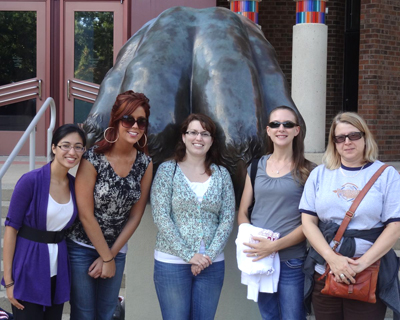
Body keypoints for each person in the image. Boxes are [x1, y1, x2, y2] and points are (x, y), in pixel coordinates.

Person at [300, 112, 400, 320]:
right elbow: (308, 222)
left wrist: (361, 264)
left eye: (354, 135)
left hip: (369, 272)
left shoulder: (386, 174)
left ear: (365, 138)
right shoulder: (320, 174)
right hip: (326, 270)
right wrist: (333, 259)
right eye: (340, 137)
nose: (347, 142)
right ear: (334, 143)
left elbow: (395, 227)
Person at [66, 90, 153, 320]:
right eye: (128, 119)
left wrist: (111, 256)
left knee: (106, 314)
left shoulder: (145, 163)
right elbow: (85, 214)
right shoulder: (93, 157)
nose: (134, 126)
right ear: (116, 120)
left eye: (141, 121)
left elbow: (136, 216)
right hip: (82, 247)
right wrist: (105, 258)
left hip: (116, 249)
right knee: (84, 314)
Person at [151, 113, 235, 320]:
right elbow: (161, 216)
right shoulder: (167, 171)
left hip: (211, 264)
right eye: (193, 132)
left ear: (212, 140)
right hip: (171, 262)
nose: (199, 138)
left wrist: (207, 257)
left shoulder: (222, 174)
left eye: (205, 134)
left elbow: (227, 218)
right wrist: (189, 255)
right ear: (183, 137)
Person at [2, 124, 86, 320]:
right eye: (65, 145)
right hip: (29, 264)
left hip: (59, 267)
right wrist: (9, 281)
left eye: (78, 146)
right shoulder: (30, 181)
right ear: (54, 148)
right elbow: (11, 229)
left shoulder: (75, 186)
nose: (72, 152)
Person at [237, 106, 314, 320]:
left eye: (287, 124)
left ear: (297, 131)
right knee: (269, 316)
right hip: (260, 259)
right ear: (268, 130)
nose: (281, 128)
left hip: (292, 261)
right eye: (275, 124)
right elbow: (243, 211)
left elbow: (310, 224)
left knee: (293, 317)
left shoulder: (309, 171)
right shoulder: (255, 166)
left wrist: (275, 246)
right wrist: (250, 238)